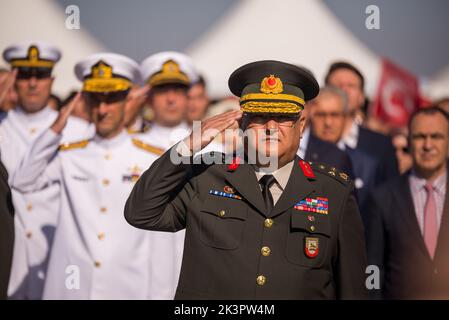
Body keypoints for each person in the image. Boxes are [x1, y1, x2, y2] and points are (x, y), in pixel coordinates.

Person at [125, 60, 368, 299]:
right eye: (260, 116)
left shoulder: (333, 190)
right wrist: (187, 147)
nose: (271, 127)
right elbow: (141, 213)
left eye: (283, 116)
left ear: (301, 124)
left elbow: (352, 289)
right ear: (242, 124)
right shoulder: (207, 175)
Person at [10, 53, 167, 299]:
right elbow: (22, 181)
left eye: (112, 98)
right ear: (85, 101)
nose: (103, 109)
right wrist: (54, 130)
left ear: (127, 99)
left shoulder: (151, 158)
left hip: (127, 287)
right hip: (71, 288)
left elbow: (161, 243)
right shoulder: (69, 154)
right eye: (95, 99)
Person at [0, 42, 93, 299]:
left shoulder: (78, 130)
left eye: (40, 76)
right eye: (25, 75)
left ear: (51, 80)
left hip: (57, 255)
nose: (32, 83)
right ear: (12, 79)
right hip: (9, 254)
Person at [365, 106, 449, 299]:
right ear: (409, 141)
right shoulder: (382, 197)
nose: (427, 145)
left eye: (436, 136)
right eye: (420, 137)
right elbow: (373, 265)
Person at [325, 61, 399, 185]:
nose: (344, 90)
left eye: (351, 86)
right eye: (338, 85)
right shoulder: (307, 139)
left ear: (362, 97)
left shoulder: (382, 146)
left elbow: (390, 195)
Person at [308, 86, 379, 210]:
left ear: (345, 117)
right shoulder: (298, 155)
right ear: (311, 116)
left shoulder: (366, 165)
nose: (328, 123)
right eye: (321, 115)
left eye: (334, 115)